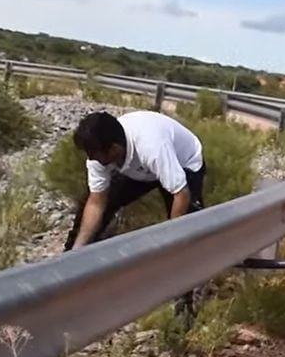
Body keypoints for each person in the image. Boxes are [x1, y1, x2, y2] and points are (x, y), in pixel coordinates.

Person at [66, 109, 208, 318]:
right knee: (90, 210)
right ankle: (68, 275)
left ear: (113, 149)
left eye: (96, 156)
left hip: (184, 164)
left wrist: (171, 238)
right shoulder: (98, 154)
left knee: (184, 231)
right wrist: (78, 249)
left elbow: (181, 194)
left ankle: (183, 305)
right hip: (140, 169)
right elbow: (96, 203)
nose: (92, 160)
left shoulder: (152, 147)